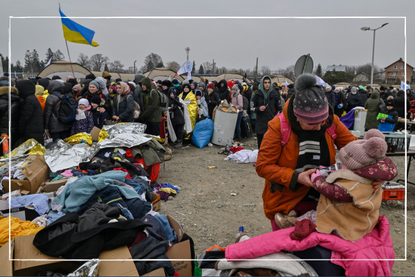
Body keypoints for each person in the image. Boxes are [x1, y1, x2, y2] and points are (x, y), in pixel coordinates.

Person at [256, 73, 360, 231]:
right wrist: (296, 177)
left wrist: (373, 168)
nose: (319, 127)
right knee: (289, 251)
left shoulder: (331, 122)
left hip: (324, 201)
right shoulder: (278, 127)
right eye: (312, 124)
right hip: (286, 205)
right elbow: (263, 166)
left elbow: (356, 149)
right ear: (297, 117)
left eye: (322, 121)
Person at [277, 129, 397, 242]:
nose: (341, 165)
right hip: (351, 214)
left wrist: (317, 179)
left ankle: (289, 223)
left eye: (344, 163)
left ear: (356, 166)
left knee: (312, 215)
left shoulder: (355, 185)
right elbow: (338, 168)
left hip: (347, 220)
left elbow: (333, 192)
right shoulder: (367, 174)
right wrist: (326, 170)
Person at [252, 75, 280, 149]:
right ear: (262, 84)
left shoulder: (275, 94)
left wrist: (275, 118)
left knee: (270, 146)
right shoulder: (257, 94)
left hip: (271, 124)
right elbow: (251, 108)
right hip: (260, 124)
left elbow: (279, 109)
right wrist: (258, 108)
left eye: (268, 82)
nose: (267, 84)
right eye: (265, 83)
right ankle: (261, 160)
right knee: (261, 146)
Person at [16, 80, 44, 146]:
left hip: (31, 131)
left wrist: (20, 130)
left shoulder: (29, 100)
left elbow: (25, 117)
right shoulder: (32, 98)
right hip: (36, 130)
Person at [0, 79, 21, 152]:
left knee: (4, 155)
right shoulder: (18, 100)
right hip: (16, 132)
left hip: (3, 134)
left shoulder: (1, 101)